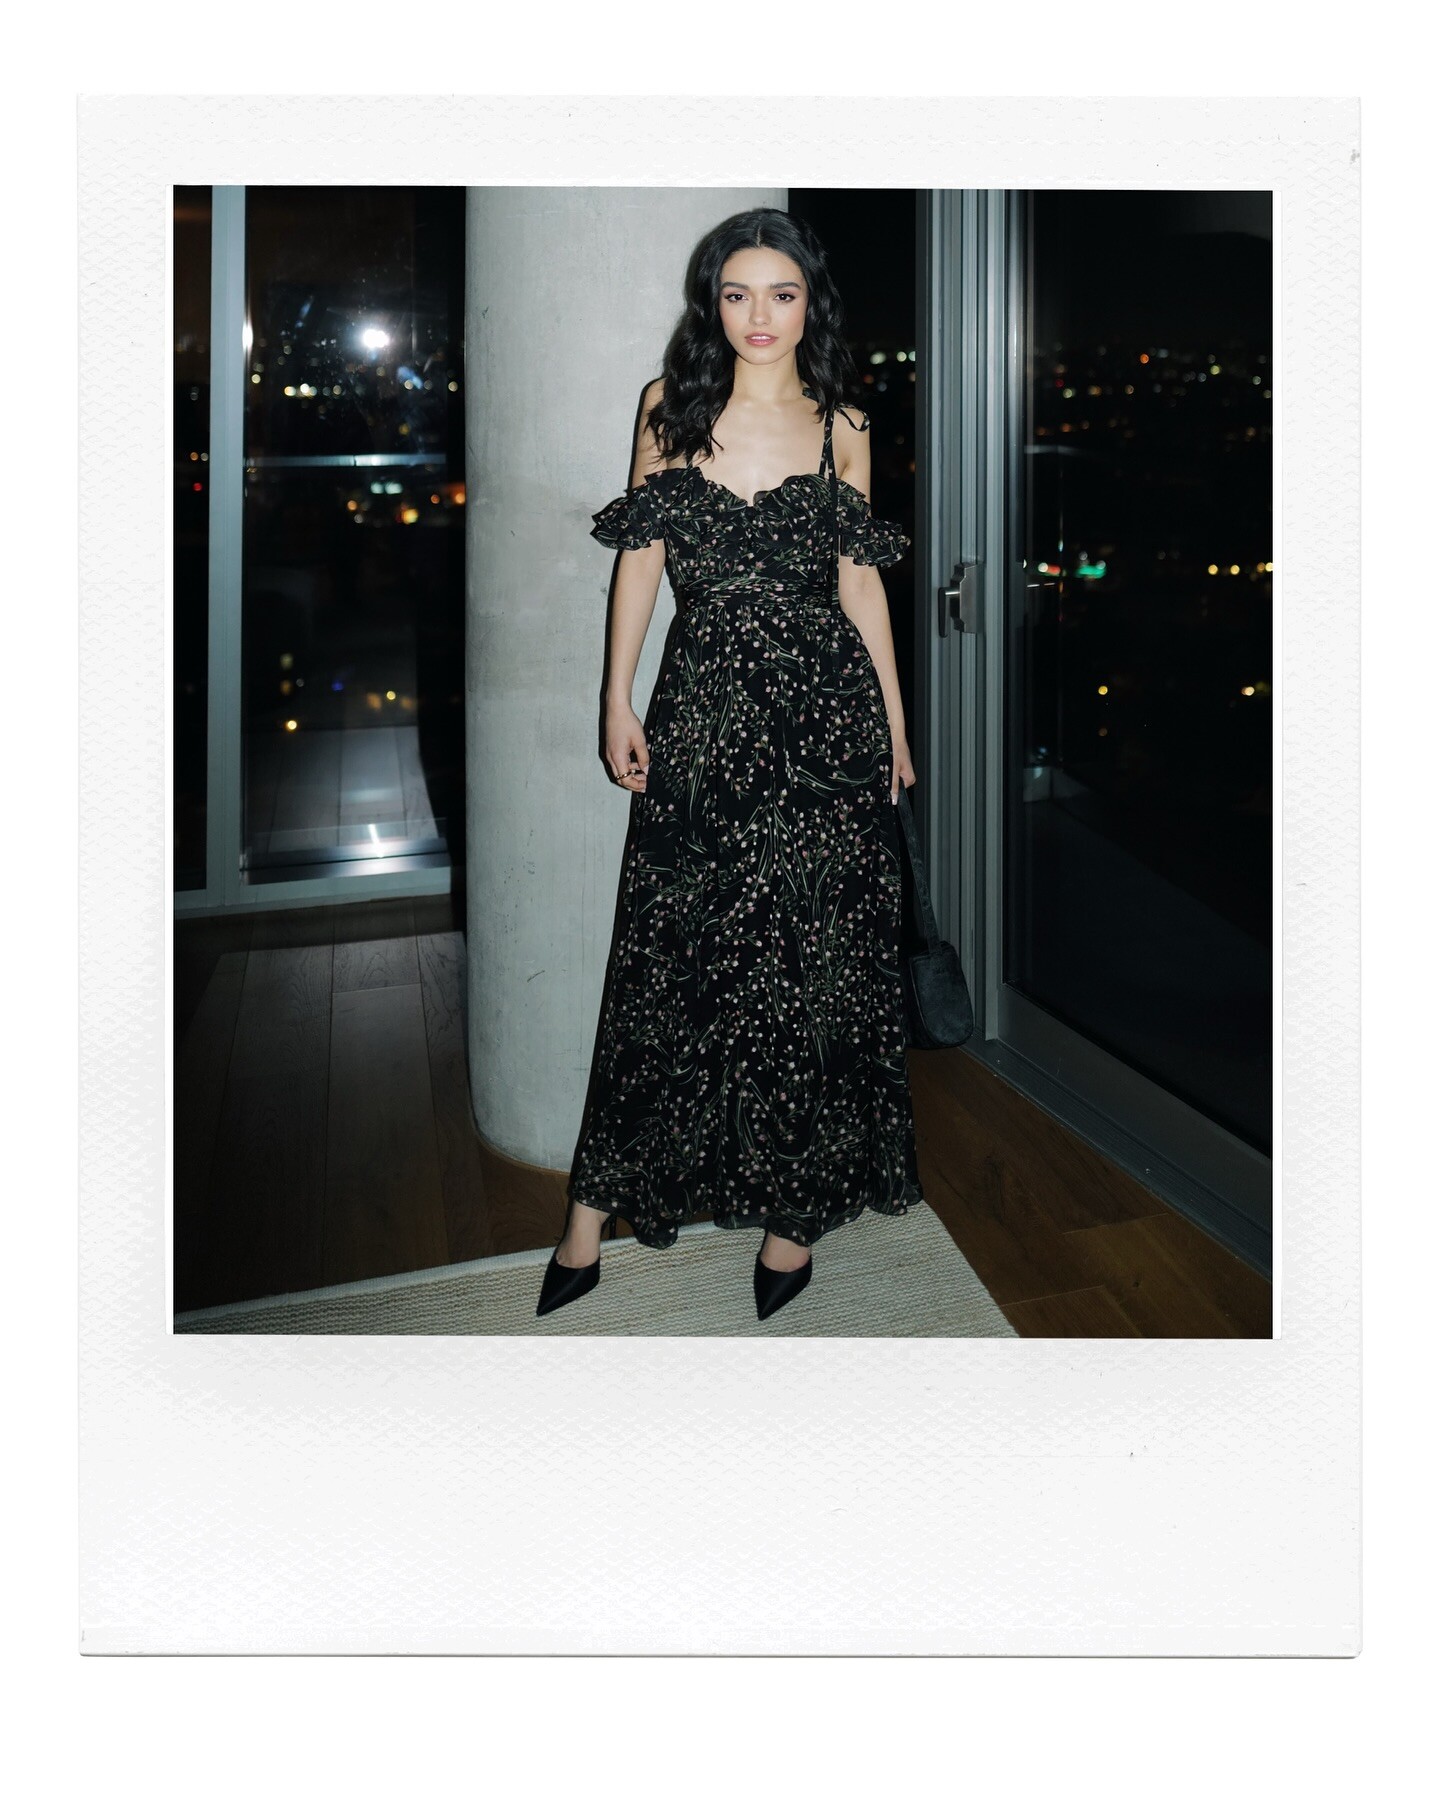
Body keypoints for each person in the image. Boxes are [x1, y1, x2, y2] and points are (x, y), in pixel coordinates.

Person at [538, 206, 924, 1323]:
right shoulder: (670, 408)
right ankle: (589, 1215)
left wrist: (896, 725)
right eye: (739, 293)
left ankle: (793, 1220)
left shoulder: (844, 422)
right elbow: (640, 560)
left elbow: (859, 582)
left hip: (827, 730)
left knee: (814, 967)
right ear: (713, 304)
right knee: (665, 961)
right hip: (703, 722)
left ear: (811, 305)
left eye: (782, 294)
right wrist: (615, 696)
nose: (761, 315)